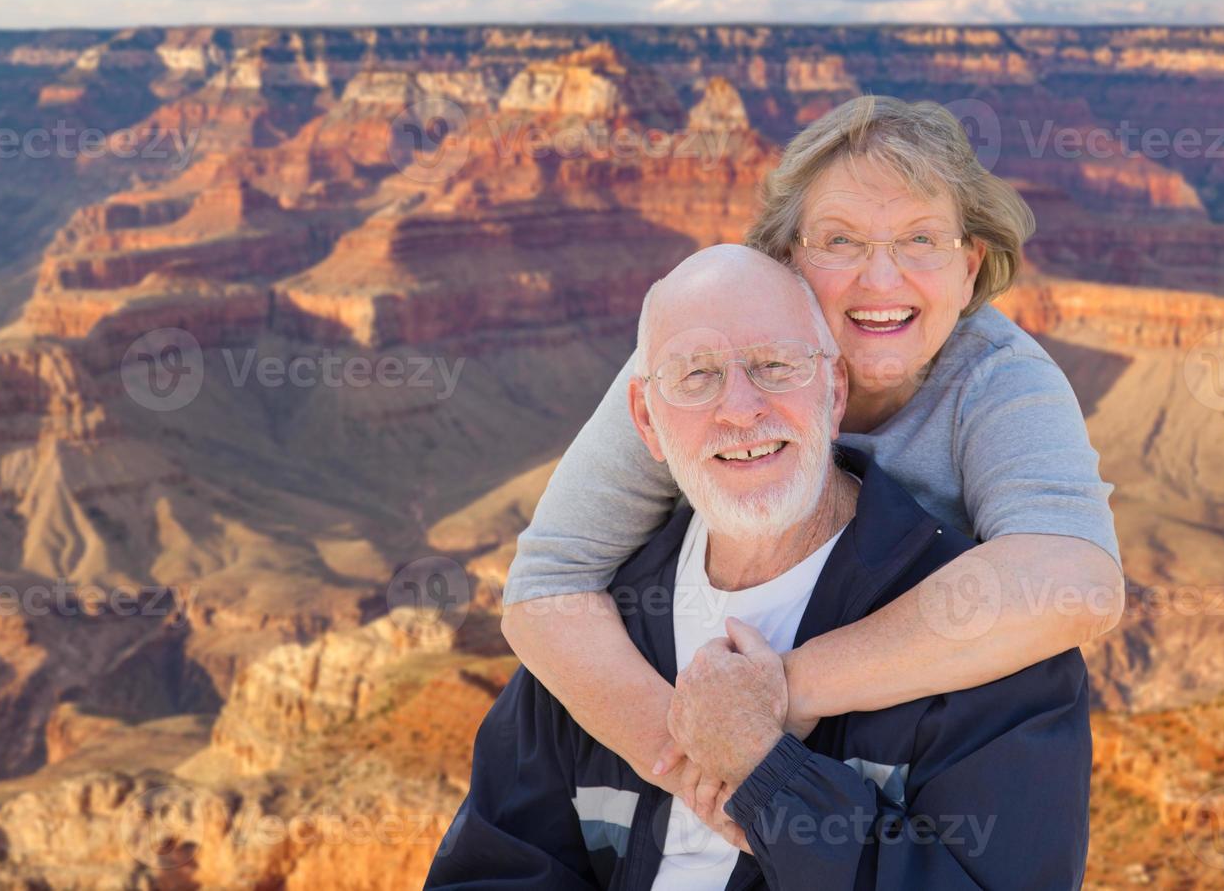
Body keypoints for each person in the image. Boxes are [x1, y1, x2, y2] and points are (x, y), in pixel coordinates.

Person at [499, 96, 1122, 826]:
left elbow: (1077, 582)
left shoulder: (999, 379)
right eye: (841, 241)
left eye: (921, 240)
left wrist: (780, 693)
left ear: (969, 265)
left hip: (904, 764)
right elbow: (547, 586)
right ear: (786, 259)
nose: (881, 281)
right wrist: (693, 764)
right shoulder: (695, 361)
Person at [425, 246, 1091, 890]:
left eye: (775, 365)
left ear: (833, 392)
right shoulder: (599, 637)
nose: (741, 408)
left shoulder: (990, 648)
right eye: (696, 375)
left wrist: (772, 782)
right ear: (645, 421)